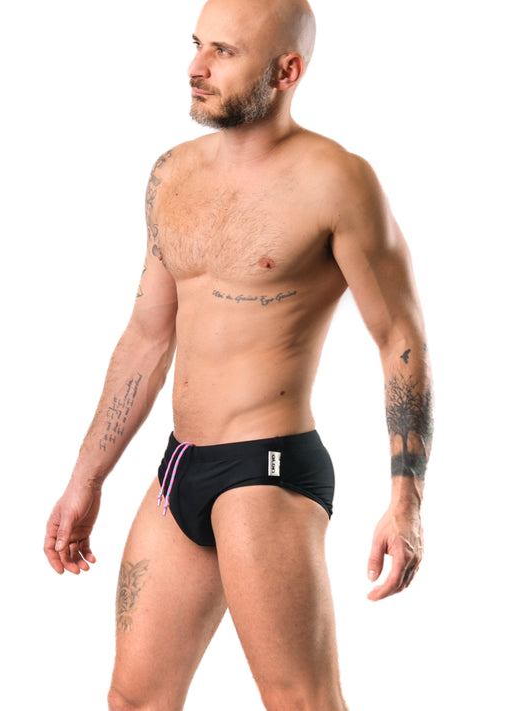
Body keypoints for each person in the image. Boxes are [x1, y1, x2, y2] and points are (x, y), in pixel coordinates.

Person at [44, 0, 434, 709]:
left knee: (300, 700)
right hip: (179, 467)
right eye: (197, 44)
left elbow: (399, 338)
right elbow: (146, 336)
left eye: (223, 52)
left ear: (286, 71)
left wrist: (404, 503)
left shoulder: (337, 181)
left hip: (267, 467)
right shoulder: (172, 175)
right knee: (133, 700)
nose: (196, 67)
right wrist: (85, 478)